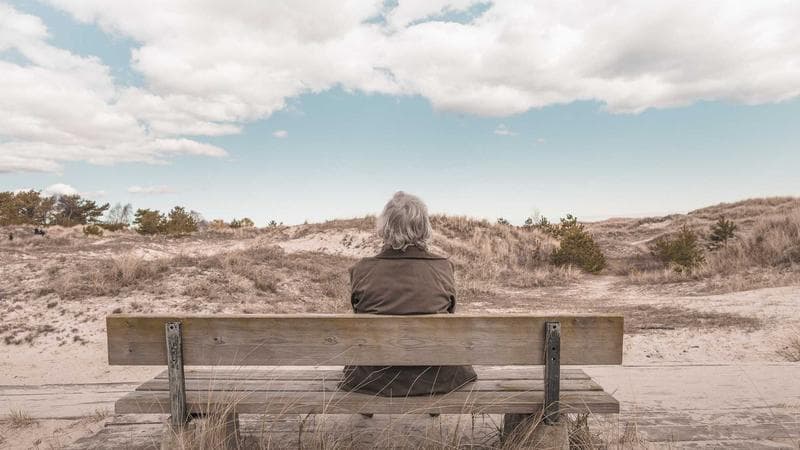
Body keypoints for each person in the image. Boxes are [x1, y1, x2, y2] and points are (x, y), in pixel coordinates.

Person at [338, 191, 477, 397]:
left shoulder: (361, 270)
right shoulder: (443, 268)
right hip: (436, 377)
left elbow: (359, 315)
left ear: (385, 227)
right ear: (424, 227)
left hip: (374, 379)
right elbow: (449, 314)